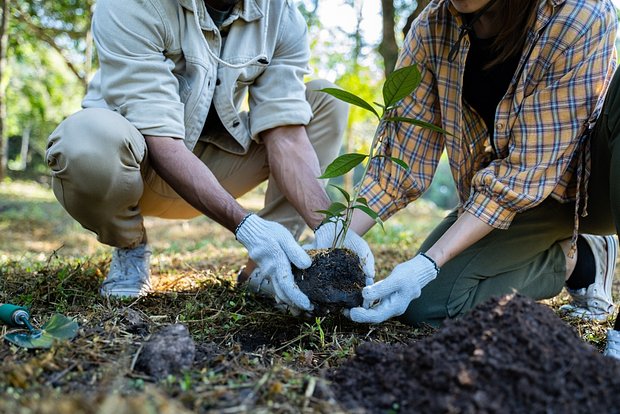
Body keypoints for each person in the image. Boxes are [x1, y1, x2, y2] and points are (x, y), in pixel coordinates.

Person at [45, 0, 374, 313]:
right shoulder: (132, 5)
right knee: (84, 141)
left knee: (326, 102)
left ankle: (266, 268)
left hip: (214, 170)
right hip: (133, 168)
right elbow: (161, 137)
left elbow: (285, 133)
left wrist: (328, 224)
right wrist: (246, 227)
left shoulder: (279, 14)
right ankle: (130, 247)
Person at [325, 0, 620, 349]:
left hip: (594, 190)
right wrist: (334, 237)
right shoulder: (431, 30)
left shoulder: (577, 14)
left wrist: (430, 260)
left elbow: (528, 169)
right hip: (512, 200)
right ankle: (580, 260)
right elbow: (398, 163)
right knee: (427, 304)